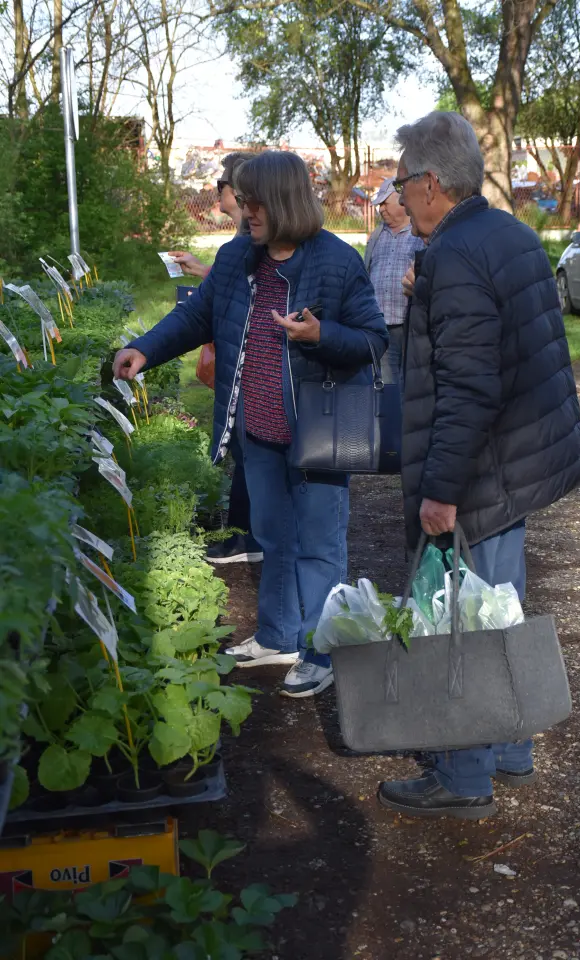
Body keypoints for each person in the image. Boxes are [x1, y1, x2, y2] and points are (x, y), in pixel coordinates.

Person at [113, 150, 387, 698]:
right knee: (272, 536)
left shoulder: (335, 261)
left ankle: (319, 650)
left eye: (252, 200)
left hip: (323, 430)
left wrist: (319, 336)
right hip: (258, 428)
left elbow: (374, 339)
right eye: (241, 199)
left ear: (282, 201)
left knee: (319, 546)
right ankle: (278, 635)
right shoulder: (240, 255)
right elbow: (197, 316)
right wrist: (145, 349)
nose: (242, 209)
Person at [378, 111, 580, 820]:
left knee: (458, 618)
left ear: (433, 183)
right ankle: (508, 745)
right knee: (499, 607)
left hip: (481, 471)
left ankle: (464, 773)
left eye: (404, 180)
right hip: (516, 464)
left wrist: (440, 490)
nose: (399, 193)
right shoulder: (508, 235)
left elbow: (467, 386)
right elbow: (499, 346)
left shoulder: (456, 256)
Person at [169, 152, 263, 566]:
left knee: (251, 450)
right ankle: (247, 535)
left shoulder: (251, 241)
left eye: (223, 186)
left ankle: (250, 538)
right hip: (238, 369)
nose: (219, 193)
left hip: (252, 373)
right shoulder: (237, 245)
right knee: (244, 451)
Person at [364, 177, 424, 385]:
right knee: (385, 384)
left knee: (410, 381)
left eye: (384, 203)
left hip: (409, 325)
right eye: (379, 205)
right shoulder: (377, 235)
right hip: (380, 324)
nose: (381, 210)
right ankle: (388, 417)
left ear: (401, 200)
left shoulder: (419, 233)